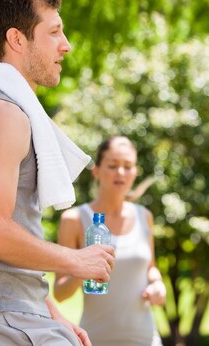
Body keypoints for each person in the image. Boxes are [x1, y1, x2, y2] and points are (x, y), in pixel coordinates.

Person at [0, 0, 115, 346]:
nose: (65, 45)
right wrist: (75, 260)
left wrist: (52, 312)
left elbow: (15, 231)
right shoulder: (2, 115)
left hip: (16, 313)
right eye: (53, 32)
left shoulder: (7, 111)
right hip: (0, 318)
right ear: (17, 40)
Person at [54, 136, 166, 346]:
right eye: (113, 165)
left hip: (146, 339)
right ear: (96, 171)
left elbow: (151, 268)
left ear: (135, 172)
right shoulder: (75, 219)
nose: (121, 173)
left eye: (128, 166)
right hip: (95, 340)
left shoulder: (145, 217)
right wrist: (83, 268)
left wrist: (157, 285)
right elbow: (59, 293)